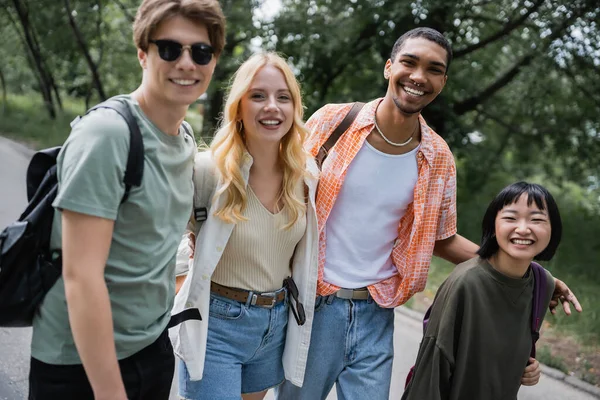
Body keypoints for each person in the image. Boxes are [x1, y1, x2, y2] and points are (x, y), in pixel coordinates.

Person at [276, 27, 581, 400]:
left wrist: (537, 274)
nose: (419, 76)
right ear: (390, 67)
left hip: (376, 312)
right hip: (315, 305)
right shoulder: (332, 123)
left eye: (433, 69)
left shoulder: (438, 159)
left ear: (443, 81)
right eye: (409, 62)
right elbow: (280, 191)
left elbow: (442, 238)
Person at [28, 1, 225, 399]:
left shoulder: (184, 138)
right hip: (80, 363)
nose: (186, 62)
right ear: (142, 53)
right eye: (169, 48)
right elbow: (81, 277)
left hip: (151, 347)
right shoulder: (108, 135)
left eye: (200, 52)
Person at [171, 52, 319, 400]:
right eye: (258, 96)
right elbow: (170, 238)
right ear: (239, 107)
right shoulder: (208, 171)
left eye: (283, 97)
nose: (272, 107)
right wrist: (186, 295)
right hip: (216, 325)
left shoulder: (307, 176)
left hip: (274, 324)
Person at [401, 182, 561, 400]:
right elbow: (432, 367)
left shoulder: (542, 285)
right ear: (493, 225)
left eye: (537, 219)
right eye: (511, 218)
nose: (523, 228)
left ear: (553, 229)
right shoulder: (465, 282)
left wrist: (527, 366)